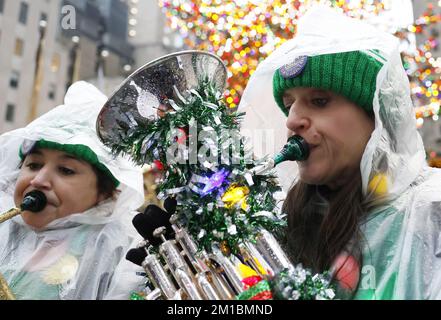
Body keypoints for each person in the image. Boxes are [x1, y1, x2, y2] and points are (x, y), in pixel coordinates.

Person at [239, 6, 441, 299]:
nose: (292, 120)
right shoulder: (280, 222)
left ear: (376, 118)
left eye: (319, 101)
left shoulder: (431, 208)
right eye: (289, 102)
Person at [0, 81, 145, 300]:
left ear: (105, 193)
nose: (39, 180)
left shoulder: (119, 253)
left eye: (66, 170)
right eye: (33, 165)